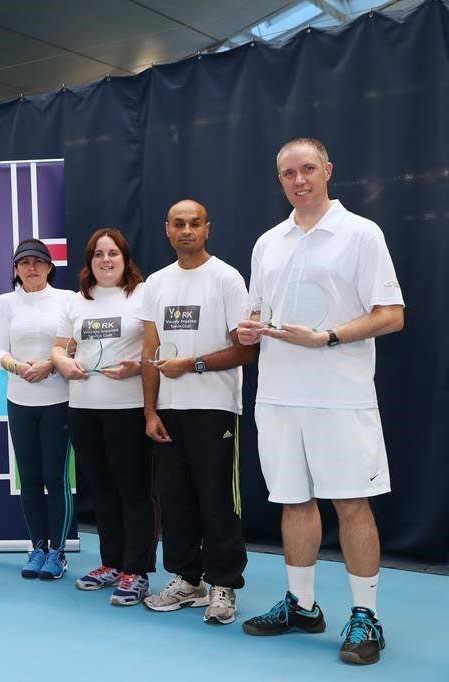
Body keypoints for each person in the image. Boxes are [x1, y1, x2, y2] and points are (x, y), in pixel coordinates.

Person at [237, 138, 404, 665]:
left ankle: (365, 615)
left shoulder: (361, 233)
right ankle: (302, 606)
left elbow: (391, 313)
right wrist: (246, 331)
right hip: (278, 396)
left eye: (308, 168)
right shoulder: (268, 242)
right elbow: (256, 314)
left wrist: (328, 337)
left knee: (352, 503)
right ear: (280, 180)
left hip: (340, 395)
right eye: (288, 173)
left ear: (328, 170)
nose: (299, 179)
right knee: (293, 501)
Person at [138, 200, 256, 625]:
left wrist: (194, 364)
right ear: (167, 230)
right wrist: (150, 411)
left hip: (215, 409)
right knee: (176, 500)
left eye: (195, 223)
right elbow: (148, 351)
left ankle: (223, 583)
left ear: (207, 228)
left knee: (217, 499)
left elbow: (246, 349)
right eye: (178, 224)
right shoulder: (155, 283)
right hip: (169, 411)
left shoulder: (226, 278)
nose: (187, 230)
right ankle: (189, 580)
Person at [50, 228, 158, 603]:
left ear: (125, 259)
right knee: (102, 491)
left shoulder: (143, 296)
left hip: (127, 410)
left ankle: (137, 570)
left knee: (134, 492)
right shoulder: (78, 301)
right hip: (83, 410)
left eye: (113, 253)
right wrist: (64, 363)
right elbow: (59, 348)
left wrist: (137, 366)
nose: (106, 260)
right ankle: (112, 563)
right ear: (89, 261)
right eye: (98, 254)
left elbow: (154, 348)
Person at [0, 239, 73, 580]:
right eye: (24, 262)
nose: (31, 267)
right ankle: (38, 547)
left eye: (38, 261)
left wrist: (48, 366)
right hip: (19, 401)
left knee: (55, 479)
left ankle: (58, 552)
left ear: (49, 266)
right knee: (30, 479)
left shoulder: (68, 300)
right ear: (15, 269)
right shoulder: (5, 302)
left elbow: (73, 346)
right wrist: (17, 367)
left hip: (59, 401)